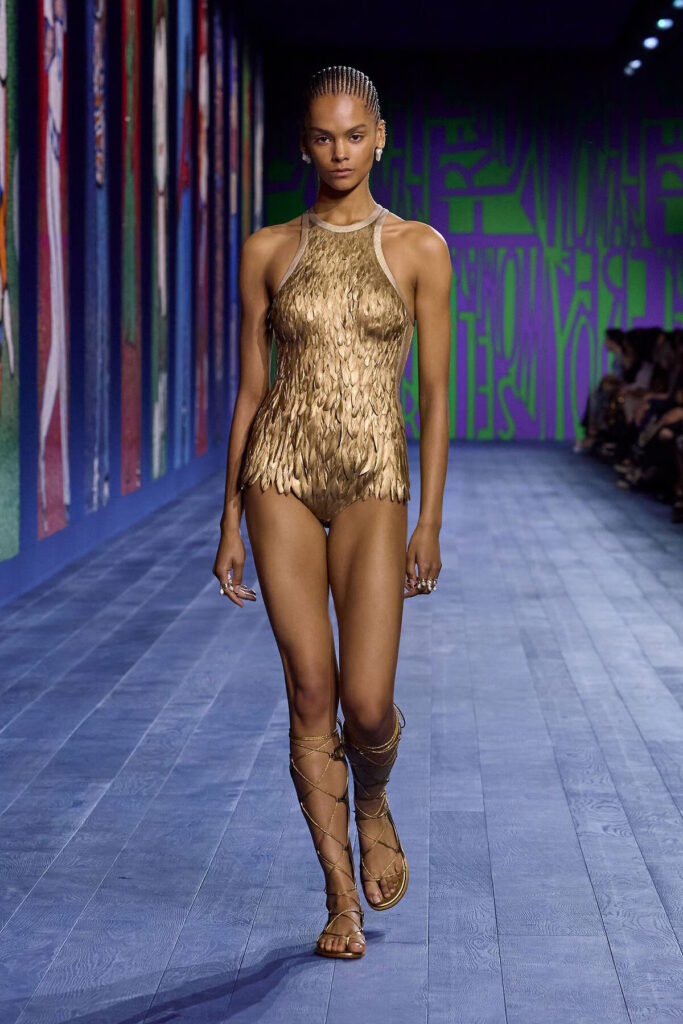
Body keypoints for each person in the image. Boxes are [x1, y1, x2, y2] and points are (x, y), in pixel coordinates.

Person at [213, 65, 451, 960]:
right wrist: (226, 521)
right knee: (310, 689)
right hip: (277, 470)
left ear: (379, 137)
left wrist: (429, 521)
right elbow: (250, 392)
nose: (339, 151)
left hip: (372, 477)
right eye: (323, 136)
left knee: (366, 701)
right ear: (303, 144)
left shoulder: (419, 247)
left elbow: (434, 395)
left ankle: (374, 796)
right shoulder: (267, 249)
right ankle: (339, 898)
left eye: (354, 135)